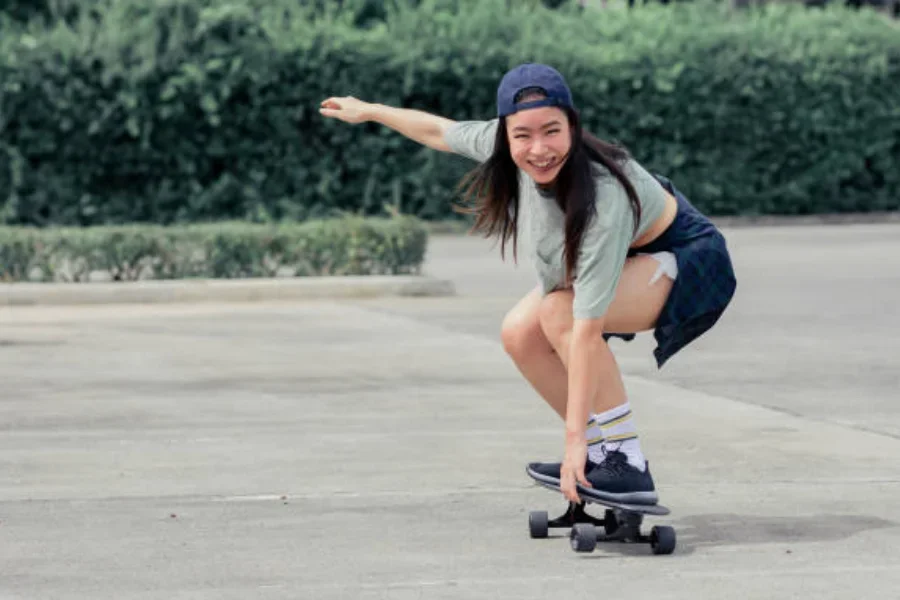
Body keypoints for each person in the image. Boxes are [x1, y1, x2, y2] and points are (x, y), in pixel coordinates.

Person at [320, 63, 736, 506]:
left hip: (682, 258)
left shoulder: (604, 194)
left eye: (552, 131)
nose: (539, 149)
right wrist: (369, 110)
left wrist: (571, 440)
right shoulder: (504, 145)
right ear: (505, 134)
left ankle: (625, 461)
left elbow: (586, 331)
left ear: (573, 127)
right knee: (519, 331)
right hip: (631, 254)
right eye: (523, 136)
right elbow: (438, 132)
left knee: (559, 312)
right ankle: (602, 455)